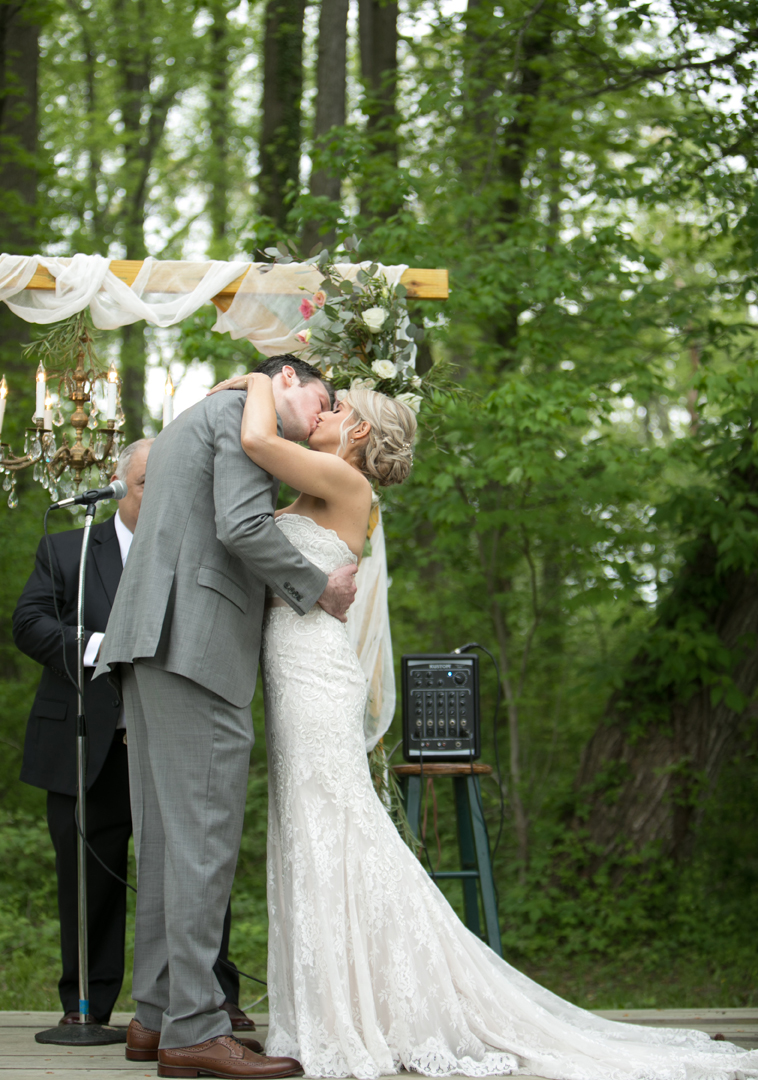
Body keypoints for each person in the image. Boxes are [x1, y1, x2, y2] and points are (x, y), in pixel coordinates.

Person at [211, 371, 758, 1080]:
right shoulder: (311, 487)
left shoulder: (348, 489)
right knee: (309, 831)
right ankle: (329, 1005)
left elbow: (255, 435)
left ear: (359, 432)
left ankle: (372, 1008)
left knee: (335, 829)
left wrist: (255, 377)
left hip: (316, 682)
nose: (325, 408)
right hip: (292, 680)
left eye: (339, 405)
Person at [95, 357, 358, 1080]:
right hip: (195, 644)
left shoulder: (192, 420)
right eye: (323, 397)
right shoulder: (249, 418)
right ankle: (195, 1031)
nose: (322, 412)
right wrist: (316, 585)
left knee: (166, 840)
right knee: (202, 839)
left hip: (147, 637)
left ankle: (155, 1016)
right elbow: (242, 524)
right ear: (287, 379)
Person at [13, 438, 259, 1042]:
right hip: (86, 747)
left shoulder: (198, 551)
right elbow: (31, 623)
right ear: (121, 485)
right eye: (149, 482)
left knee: (192, 867)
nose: (162, 494)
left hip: (175, 747)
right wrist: (105, 649)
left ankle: (209, 999)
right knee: (88, 882)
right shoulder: (65, 548)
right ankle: (87, 1007)